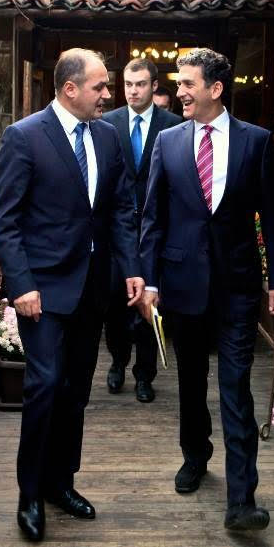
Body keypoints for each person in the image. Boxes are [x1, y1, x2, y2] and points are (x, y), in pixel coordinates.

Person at [0, 48, 144, 543]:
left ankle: (60, 483)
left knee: (76, 391)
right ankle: (29, 494)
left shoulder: (107, 136)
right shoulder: (24, 136)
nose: (108, 95)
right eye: (100, 86)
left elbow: (120, 209)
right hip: (42, 291)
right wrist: (22, 285)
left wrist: (131, 268)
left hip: (93, 288)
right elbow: (4, 220)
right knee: (44, 385)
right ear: (70, 88)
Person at [139, 48, 274, 532]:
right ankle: (195, 455)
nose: (179, 91)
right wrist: (150, 281)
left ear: (215, 88)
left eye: (188, 83)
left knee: (236, 387)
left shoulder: (255, 141)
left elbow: (271, 217)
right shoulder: (167, 141)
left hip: (237, 287)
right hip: (181, 283)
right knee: (190, 382)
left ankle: (242, 499)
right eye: (179, 83)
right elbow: (153, 217)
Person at [101, 57, 182, 402]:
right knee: (116, 304)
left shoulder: (174, 126)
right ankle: (118, 362)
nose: (133, 91)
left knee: (150, 302)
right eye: (128, 85)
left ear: (154, 86)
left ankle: (145, 375)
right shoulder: (107, 124)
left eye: (140, 85)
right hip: (117, 232)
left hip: (156, 231)